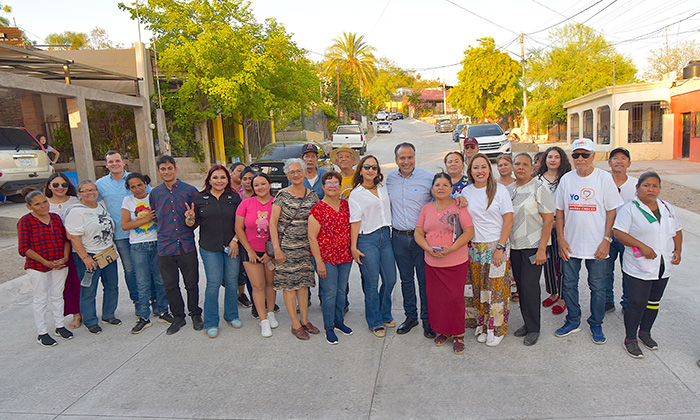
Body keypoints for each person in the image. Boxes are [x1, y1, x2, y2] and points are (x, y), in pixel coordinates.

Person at [554, 138, 624, 344]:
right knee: (569, 285)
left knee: (598, 287)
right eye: (576, 155)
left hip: (597, 246)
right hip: (570, 244)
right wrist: (560, 239)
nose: (580, 159)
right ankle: (573, 320)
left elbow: (612, 212)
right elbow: (560, 211)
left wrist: (607, 240)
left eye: (585, 154)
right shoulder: (566, 179)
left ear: (593, 156)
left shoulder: (603, 179)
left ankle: (596, 323)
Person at [613, 172, 683, 358]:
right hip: (638, 265)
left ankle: (645, 333)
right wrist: (641, 246)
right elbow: (619, 233)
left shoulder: (666, 208)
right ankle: (630, 339)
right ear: (637, 188)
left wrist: (678, 250)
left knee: (653, 302)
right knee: (636, 303)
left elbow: (676, 229)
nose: (651, 189)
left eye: (655, 186)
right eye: (646, 185)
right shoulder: (629, 209)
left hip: (662, 264)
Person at [414, 173, 474, 355]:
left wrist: (452, 248)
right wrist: (427, 247)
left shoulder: (459, 207)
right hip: (432, 263)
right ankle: (442, 331)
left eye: (445, 185)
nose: (441, 188)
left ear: (451, 188)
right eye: (437, 184)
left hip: (455, 261)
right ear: (432, 188)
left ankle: (458, 334)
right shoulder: (426, 209)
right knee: (437, 299)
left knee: (455, 298)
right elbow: (418, 232)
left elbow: (469, 231)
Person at [460, 153, 514, 346]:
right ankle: (483, 325)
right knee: (479, 290)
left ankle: (497, 329)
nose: (480, 171)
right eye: (476, 167)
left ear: (489, 170)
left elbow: (508, 220)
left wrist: (500, 246)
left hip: (495, 246)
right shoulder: (466, 192)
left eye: (484, 167)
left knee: (497, 291)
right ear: (470, 171)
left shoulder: (500, 191)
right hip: (474, 247)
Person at [186, 165, 243, 338]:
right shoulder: (199, 198)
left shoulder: (234, 198)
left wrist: (235, 240)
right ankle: (211, 322)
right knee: (213, 283)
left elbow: (241, 223)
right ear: (209, 180)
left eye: (223, 177)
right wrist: (189, 218)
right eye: (215, 177)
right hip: (209, 248)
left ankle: (231, 315)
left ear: (228, 179)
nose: (219, 181)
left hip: (232, 246)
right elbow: (191, 225)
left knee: (232, 282)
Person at [386, 143, 435, 338]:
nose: (406, 161)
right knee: (406, 280)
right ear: (396, 159)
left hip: (421, 238)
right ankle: (411, 316)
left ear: (415, 157)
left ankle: (427, 319)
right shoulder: (389, 179)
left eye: (410, 157)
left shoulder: (427, 177)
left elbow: (441, 199)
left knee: (424, 281)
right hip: (398, 237)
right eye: (402, 158)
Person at [150, 156, 203, 335]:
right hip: (165, 247)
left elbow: (197, 218)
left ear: (175, 169)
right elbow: (154, 216)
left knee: (191, 283)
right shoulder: (155, 193)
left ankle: (195, 313)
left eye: (169, 168)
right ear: (159, 171)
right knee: (170, 285)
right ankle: (178, 317)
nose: (166, 172)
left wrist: (190, 219)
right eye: (163, 169)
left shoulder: (190, 191)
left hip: (186, 245)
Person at [507, 153, 555, 346]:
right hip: (515, 246)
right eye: (517, 164)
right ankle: (527, 324)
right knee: (521, 287)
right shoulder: (509, 190)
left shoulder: (540, 188)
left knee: (530, 287)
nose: (520, 167)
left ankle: (534, 328)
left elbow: (549, 220)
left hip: (534, 246)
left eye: (525, 164)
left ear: (532, 167)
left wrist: (542, 248)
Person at [270, 158, 320, 340]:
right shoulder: (282, 195)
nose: (296, 175)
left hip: (305, 249)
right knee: (289, 287)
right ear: (287, 175)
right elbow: (272, 223)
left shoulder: (312, 196)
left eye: (299, 171)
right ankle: (295, 324)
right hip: (286, 249)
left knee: (303, 284)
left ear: (305, 172)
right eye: (292, 172)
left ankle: (305, 320)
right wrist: (277, 249)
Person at [64, 180, 120, 335]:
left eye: (93, 190)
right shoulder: (76, 211)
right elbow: (74, 237)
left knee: (111, 286)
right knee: (89, 290)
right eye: (86, 190)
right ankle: (90, 320)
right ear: (79, 193)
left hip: (107, 253)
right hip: (89, 255)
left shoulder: (100, 206)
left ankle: (109, 314)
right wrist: (85, 258)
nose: (90, 193)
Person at [349, 155, 397, 338]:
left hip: (385, 236)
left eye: (374, 167)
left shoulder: (383, 187)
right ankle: (375, 321)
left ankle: (385, 313)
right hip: (366, 239)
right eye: (367, 167)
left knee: (391, 279)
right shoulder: (356, 194)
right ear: (360, 169)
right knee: (371, 283)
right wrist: (354, 247)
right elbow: (355, 221)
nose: (371, 170)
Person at [17, 189, 72, 346]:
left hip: (60, 263)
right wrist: (46, 262)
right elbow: (24, 248)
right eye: (37, 204)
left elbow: (65, 240)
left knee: (57, 295)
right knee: (40, 299)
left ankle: (59, 326)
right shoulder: (25, 221)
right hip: (37, 266)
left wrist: (65, 257)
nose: (43, 206)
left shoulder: (54, 218)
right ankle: (42, 333)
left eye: (44, 202)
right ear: (29, 207)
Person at [121, 173, 172, 334]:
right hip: (138, 246)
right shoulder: (128, 201)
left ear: (145, 184)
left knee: (160, 280)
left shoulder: (154, 196)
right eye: (133, 187)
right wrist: (146, 219)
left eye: (140, 185)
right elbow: (125, 225)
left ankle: (163, 311)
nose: (137, 189)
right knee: (142, 283)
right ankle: (143, 316)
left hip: (157, 243)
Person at [308, 171, 354, 344]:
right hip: (326, 258)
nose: (332, 186)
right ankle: (329, 328)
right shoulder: (318, 209)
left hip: (344, 257)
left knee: (341, 291)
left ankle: (339, 322)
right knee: (329, 293)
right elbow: (312, 237)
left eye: (336, 183)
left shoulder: (346, 205)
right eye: (329, 183)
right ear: (323, 186)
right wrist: (319, 262)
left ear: (340, 186)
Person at [95, 151, 141, 315]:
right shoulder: (100, 184)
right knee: (130, 270)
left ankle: (154, 299)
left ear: (123, 162)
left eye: (117, 160)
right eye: (111, 162)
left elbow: (150, 196)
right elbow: (90, 202)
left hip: (142, 231)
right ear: (106, 165)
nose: (115, 164)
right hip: (121, 235)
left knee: (147, 267)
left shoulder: (134, 179)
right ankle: (137, 301)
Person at [235, 173, 278, 338]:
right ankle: (263, 320)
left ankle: (271, 312)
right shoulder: (246, 204)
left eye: (263, 183)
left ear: (269, 184)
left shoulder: (276, 203)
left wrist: (271, 253)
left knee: (270, 283)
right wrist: (250, 250)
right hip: (251, 252)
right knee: (258, 286)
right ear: (252, 188)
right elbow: (239, 228)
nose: (260, 187)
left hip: (270, 252)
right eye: (257, 185)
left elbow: (281, 229)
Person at [43, 172, 81, 328]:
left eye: (64, 185)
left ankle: (78, 314)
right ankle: (66, 314)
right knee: (60, 286)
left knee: (76, 282)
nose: (60, 188)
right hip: (54, 249)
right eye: (56, 185)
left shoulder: (75, 201)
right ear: (49, 186)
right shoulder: (44, 203)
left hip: (75, 247)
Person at [536, 146, 571, 315]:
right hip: (544, 225)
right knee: (548, 261)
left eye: (557, 157)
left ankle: (564, 296)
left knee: (563, 261)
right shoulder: (537, 179)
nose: (553, 160)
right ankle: (553, 292)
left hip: (563, 225)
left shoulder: (567, 179)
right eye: (550, 157)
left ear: (561, 159)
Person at [605, 147, 638, 313]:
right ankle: (607, 301)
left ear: (629, 163)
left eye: (623, 158)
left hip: (627, 236)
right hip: (607, 235)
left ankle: (627, 302)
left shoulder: (636, 185)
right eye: (615, 158)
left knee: (629, 271)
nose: (619, 161)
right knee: (604, 271)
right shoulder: (603, 181)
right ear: (609, 163)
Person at [236, 166, 256, 309]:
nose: (248, 182)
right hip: (242, 240)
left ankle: (269, 302)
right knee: (249, 275)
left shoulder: (261, 193)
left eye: (250, 178)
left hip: (260, 240)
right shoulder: (237, 197)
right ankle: (256, 303)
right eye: (244, 179)